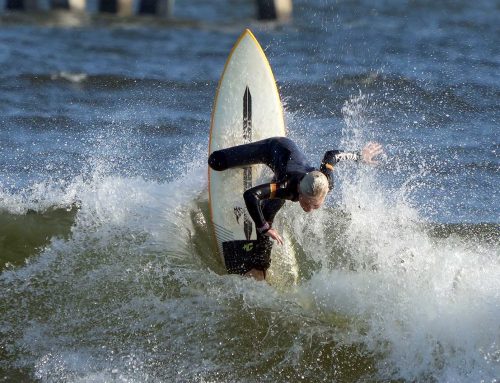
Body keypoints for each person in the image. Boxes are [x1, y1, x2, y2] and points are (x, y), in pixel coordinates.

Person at [208, 137, 383, 281]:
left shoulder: (326, 181)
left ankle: (258, 267)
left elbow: (332, 155)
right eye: (306, 203)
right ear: (299, 193)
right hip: (274, 149)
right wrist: (264, 227)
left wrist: (359, 156)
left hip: (290, 168)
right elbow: (250, 195)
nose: (310, 209)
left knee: (268, 211)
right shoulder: (286, 186)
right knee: (216, 161)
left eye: (316, 205)